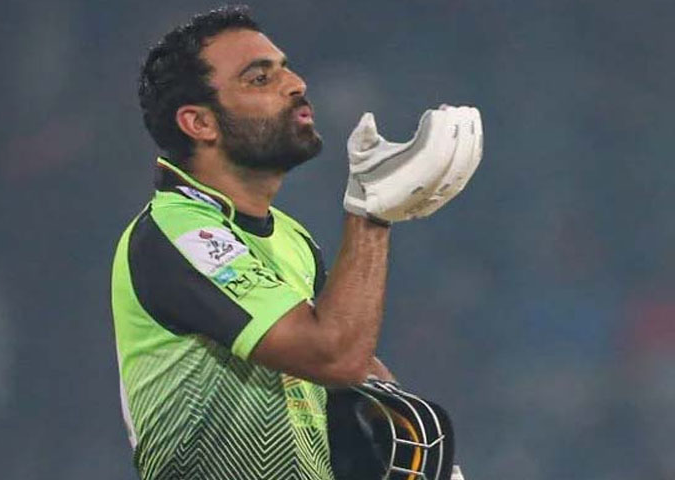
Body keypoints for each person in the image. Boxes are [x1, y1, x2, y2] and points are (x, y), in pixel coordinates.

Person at [111, 5, 482, 479]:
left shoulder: (291, 236)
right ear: (199, 123)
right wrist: (371, 215)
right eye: (259, 78)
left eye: (285, 68)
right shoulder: (176, 231)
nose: (296, 84)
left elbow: (348, 378)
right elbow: (333, 355)